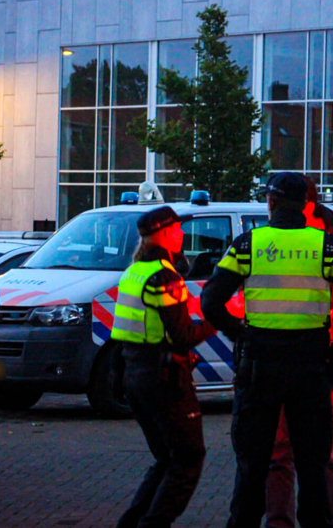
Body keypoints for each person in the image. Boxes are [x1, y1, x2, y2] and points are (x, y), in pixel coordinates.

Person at [200, 172, 333, 528]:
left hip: (260, 368)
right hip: (310, 371)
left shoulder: (248, 244)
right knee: (313, 468)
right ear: (304, 205)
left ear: (271, 202)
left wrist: (239, 331)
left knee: (253, 467)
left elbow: (210, 300)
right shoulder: (326, 246)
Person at [265, 179, 333, 528]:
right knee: (283, 454)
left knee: (327, 456)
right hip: (299, 361)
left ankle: (332, 522)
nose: (271, 207)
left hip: (321, 361)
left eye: (275, 200)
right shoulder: (291, 238)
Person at [113, 206, 217, 528]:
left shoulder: (133, 272)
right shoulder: (163, 277)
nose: (183, 235)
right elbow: (183, 336)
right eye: (178, 230)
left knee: (166, 459)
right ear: (168, 234)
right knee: (187, 459)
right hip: (166, 380)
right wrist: (217, 319)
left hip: (137, 377)